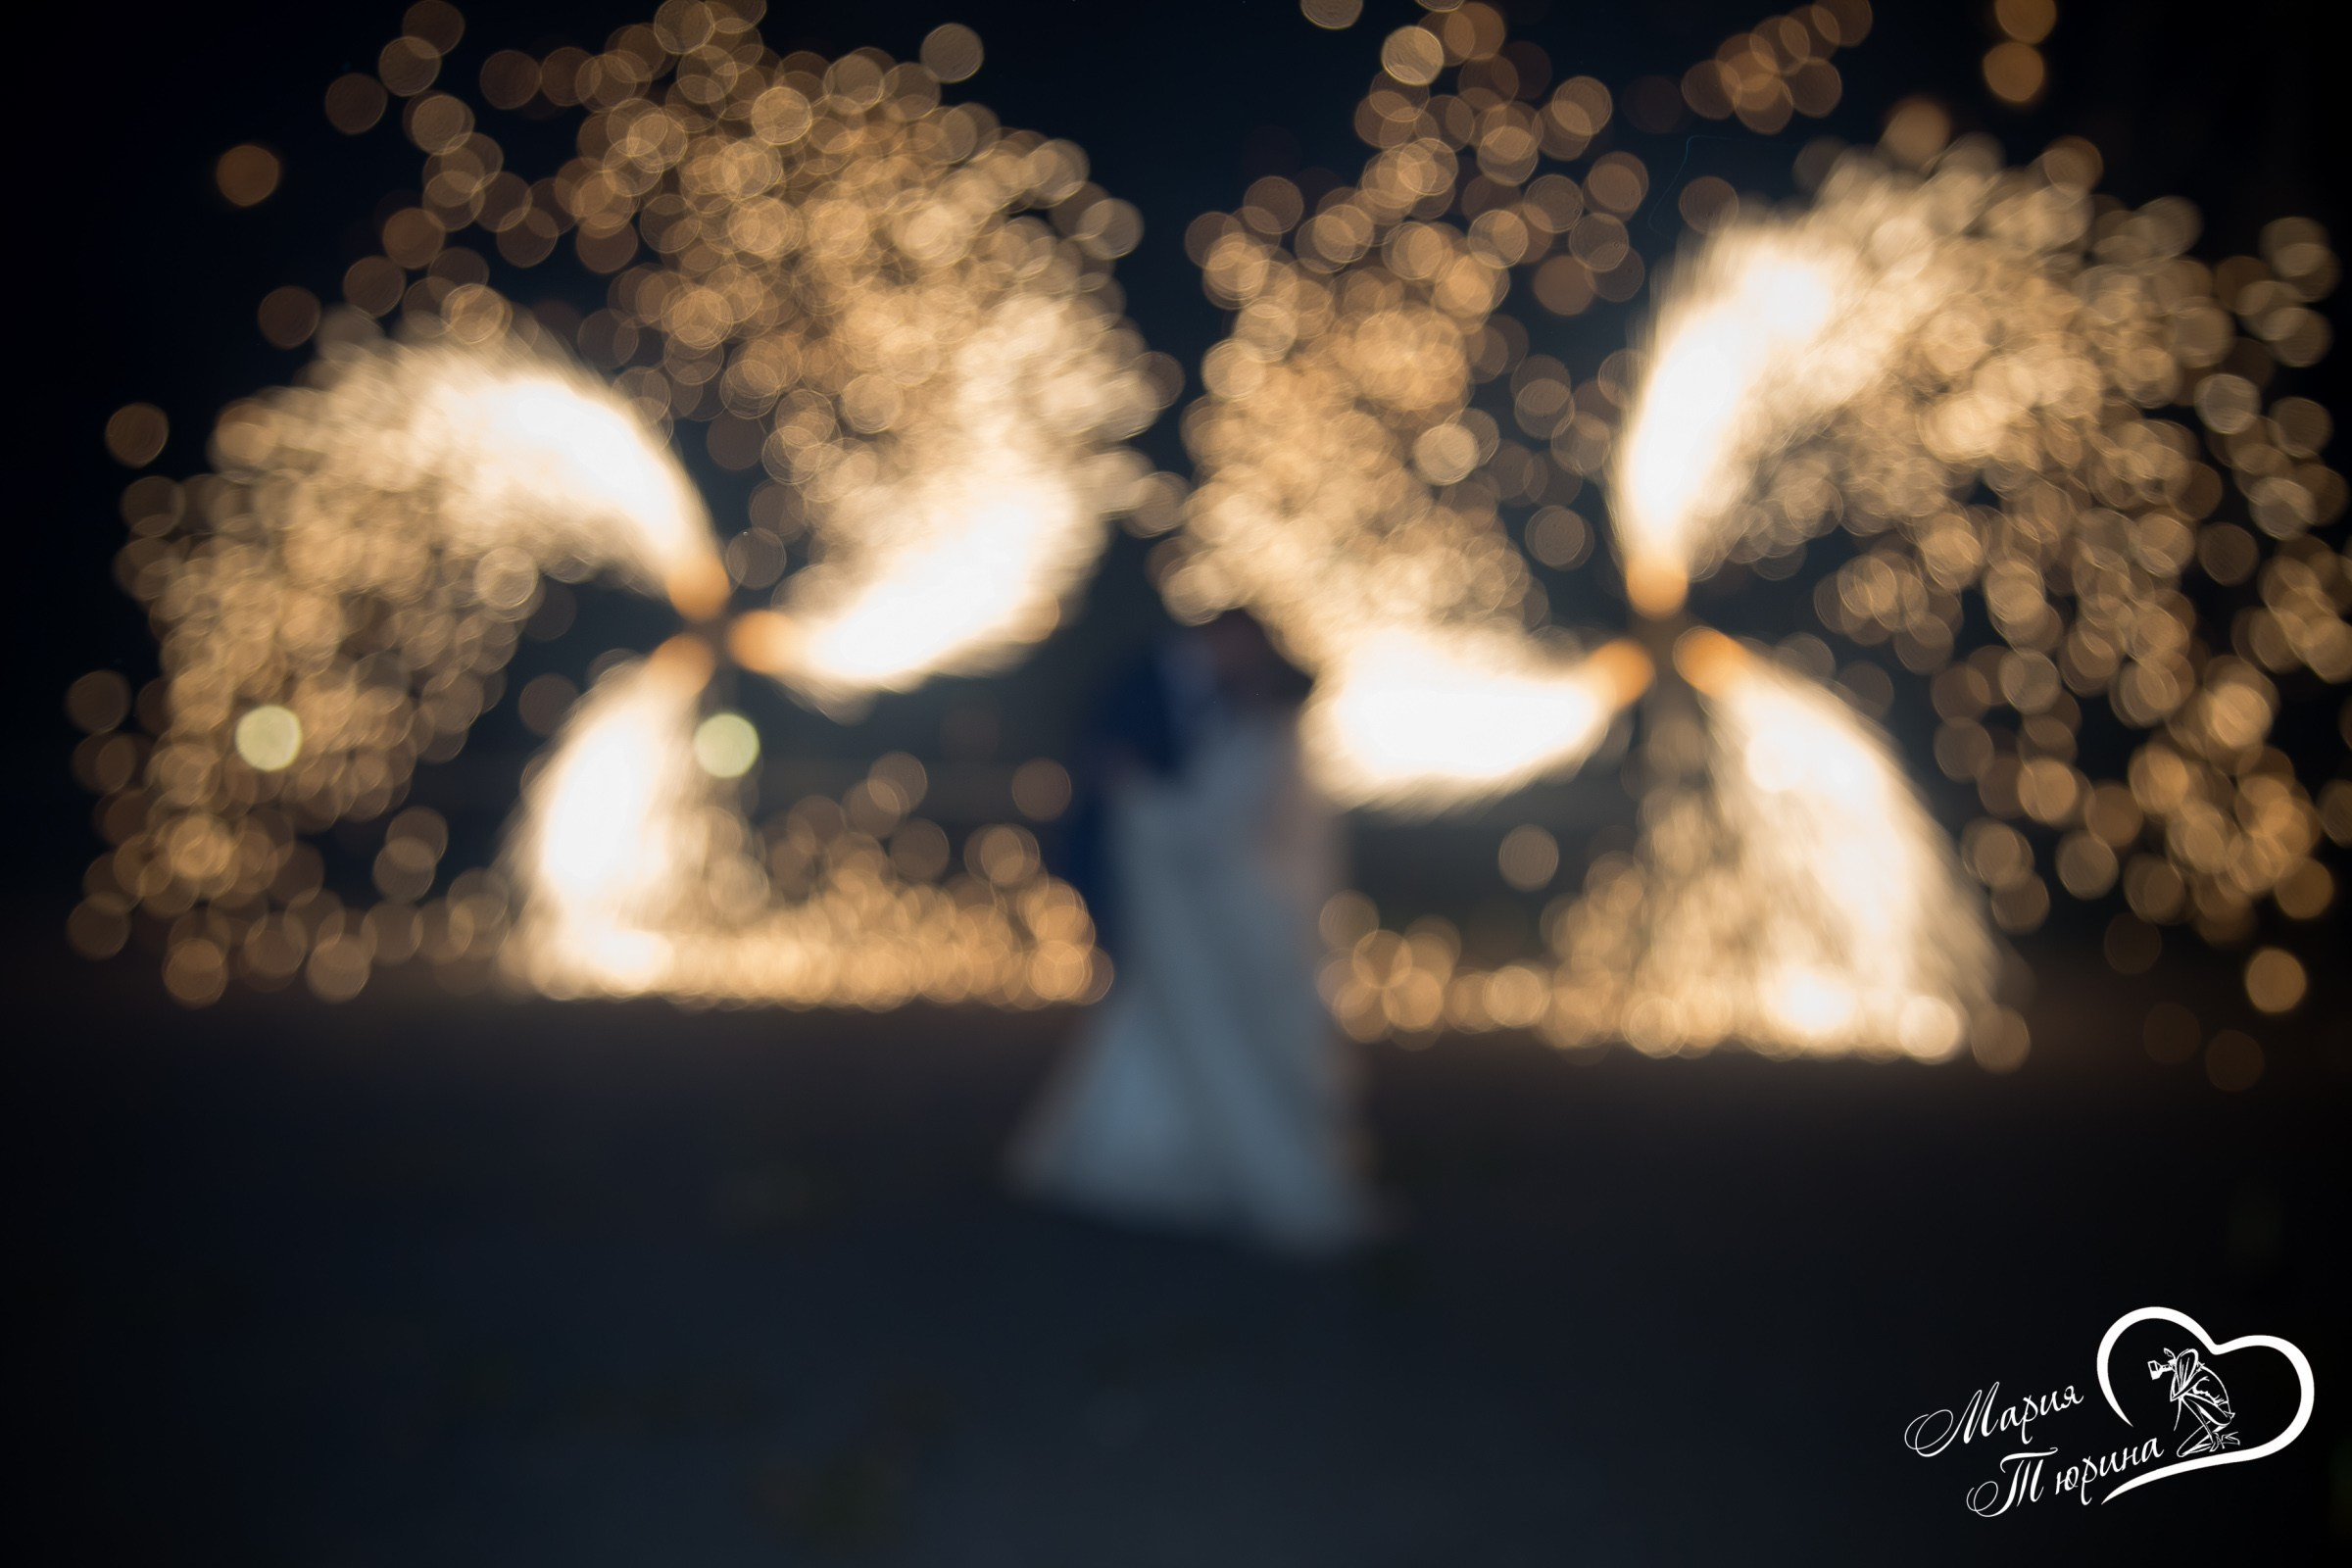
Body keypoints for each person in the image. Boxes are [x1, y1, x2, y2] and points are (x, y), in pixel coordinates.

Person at [1009, 612, 1374, 1256]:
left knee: (1190, 1019)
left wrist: (1137, 799)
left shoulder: (1257, 736)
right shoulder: (1228, 718)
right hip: (1209, 908)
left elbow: (1209, 826)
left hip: (1214, 908)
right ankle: (1154, 1151)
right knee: (1173, 1018)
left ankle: (1151, 1155)